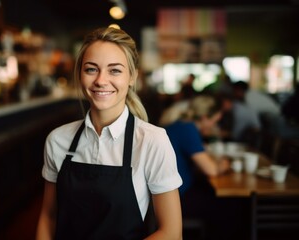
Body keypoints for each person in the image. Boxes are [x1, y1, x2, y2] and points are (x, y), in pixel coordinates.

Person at [36, 27, 183, 240]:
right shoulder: (58, 140)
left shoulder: (152, 141)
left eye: (114, 70)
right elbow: (49, 217)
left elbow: (171, 233)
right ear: (80, 74)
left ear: (132, 77)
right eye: (91, 69)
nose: (101, 80)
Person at [164, 94, 232, 240]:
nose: (214, 126)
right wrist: (225, 164)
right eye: (214, 122)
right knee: (230, 206)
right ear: (204, 118)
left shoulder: (180, 125)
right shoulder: (188, 129)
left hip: (173, 193)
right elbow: (211, 170)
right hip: (176, 198)